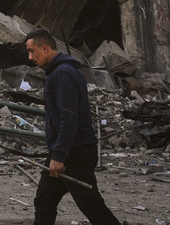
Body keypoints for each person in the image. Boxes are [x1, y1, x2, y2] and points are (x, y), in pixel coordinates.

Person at [24, 28, 122, 225]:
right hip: (66, 150)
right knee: (44, 201)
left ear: (44, 48)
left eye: (32, 51)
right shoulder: (60, 72)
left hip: (74, 152)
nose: (30, 57)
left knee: (92, 207)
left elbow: (69, 118)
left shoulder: (63, 74)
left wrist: (59, 156)